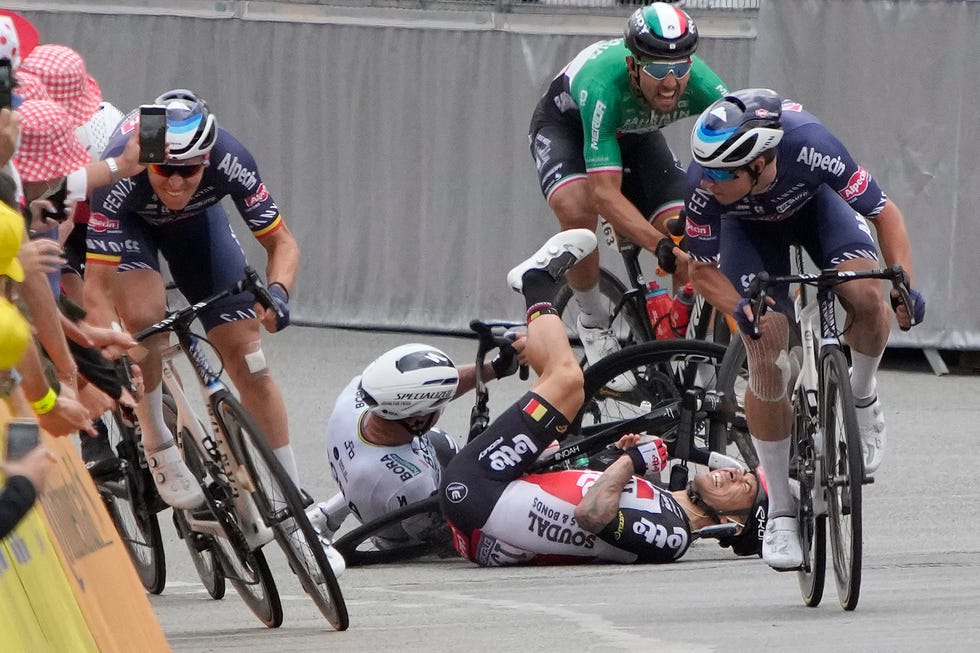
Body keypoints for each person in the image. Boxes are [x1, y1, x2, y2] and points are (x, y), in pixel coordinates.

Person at [683, 88, 926, 570]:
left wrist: (902, 282)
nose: (707, 181)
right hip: (747, 234)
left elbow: (884, 213)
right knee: (769, 348)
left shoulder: (813, 146)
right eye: (704, 170)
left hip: (817, 209)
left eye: (719, 173)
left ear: (758, 162)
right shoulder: (703, 187)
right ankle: (781, 510)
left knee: (867, 297)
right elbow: (700, 270)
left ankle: (861, 395)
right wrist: (742, 311)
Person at [439, 229, 770, 566]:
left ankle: (536, 283)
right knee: (560, 392)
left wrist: (633, 462)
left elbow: (591, 515)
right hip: (491, 505)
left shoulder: (674, 535)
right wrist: (618, 459)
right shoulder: (663, 503)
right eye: (742, 472)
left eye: (743, 487)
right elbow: (585, 495)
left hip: (480, 493)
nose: (735, 474)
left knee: (568, 381)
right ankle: (532, 332)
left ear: (733, 524)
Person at [83, 89, 300, 509]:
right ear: (148, 159)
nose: (177, 182)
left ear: (207, 159)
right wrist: (110, 334)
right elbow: (97, 288)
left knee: (250, 360)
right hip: (132, 229)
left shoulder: (230, 158)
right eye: (165, 169)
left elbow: (283, 243)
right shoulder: (121, 170)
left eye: (190, 170)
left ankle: (294, 502)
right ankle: (157, 442)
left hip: (198, 229)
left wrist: (277, 293)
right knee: (146, 323)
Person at [527, 2, 728, 376]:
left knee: (686, 229)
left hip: (636, 134)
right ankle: (592, 320)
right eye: (656, 68)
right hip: (568, 131)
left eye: (680, 67)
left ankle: (690, 358)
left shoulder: (698, 82)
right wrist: (658, 245)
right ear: (633, 64)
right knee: (579, 208)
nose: (670, 83)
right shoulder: (603, 84)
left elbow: (740, 140)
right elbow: (605, 194)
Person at [306, 339, 521, 548]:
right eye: (439, 406)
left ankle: (326, 515)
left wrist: (495, 368)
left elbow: (420, 386)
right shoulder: (413, 483)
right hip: (405, 529)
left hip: (371, 481)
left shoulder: (356, 395)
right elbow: (451, 537)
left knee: (442, 444)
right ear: (416, 419)